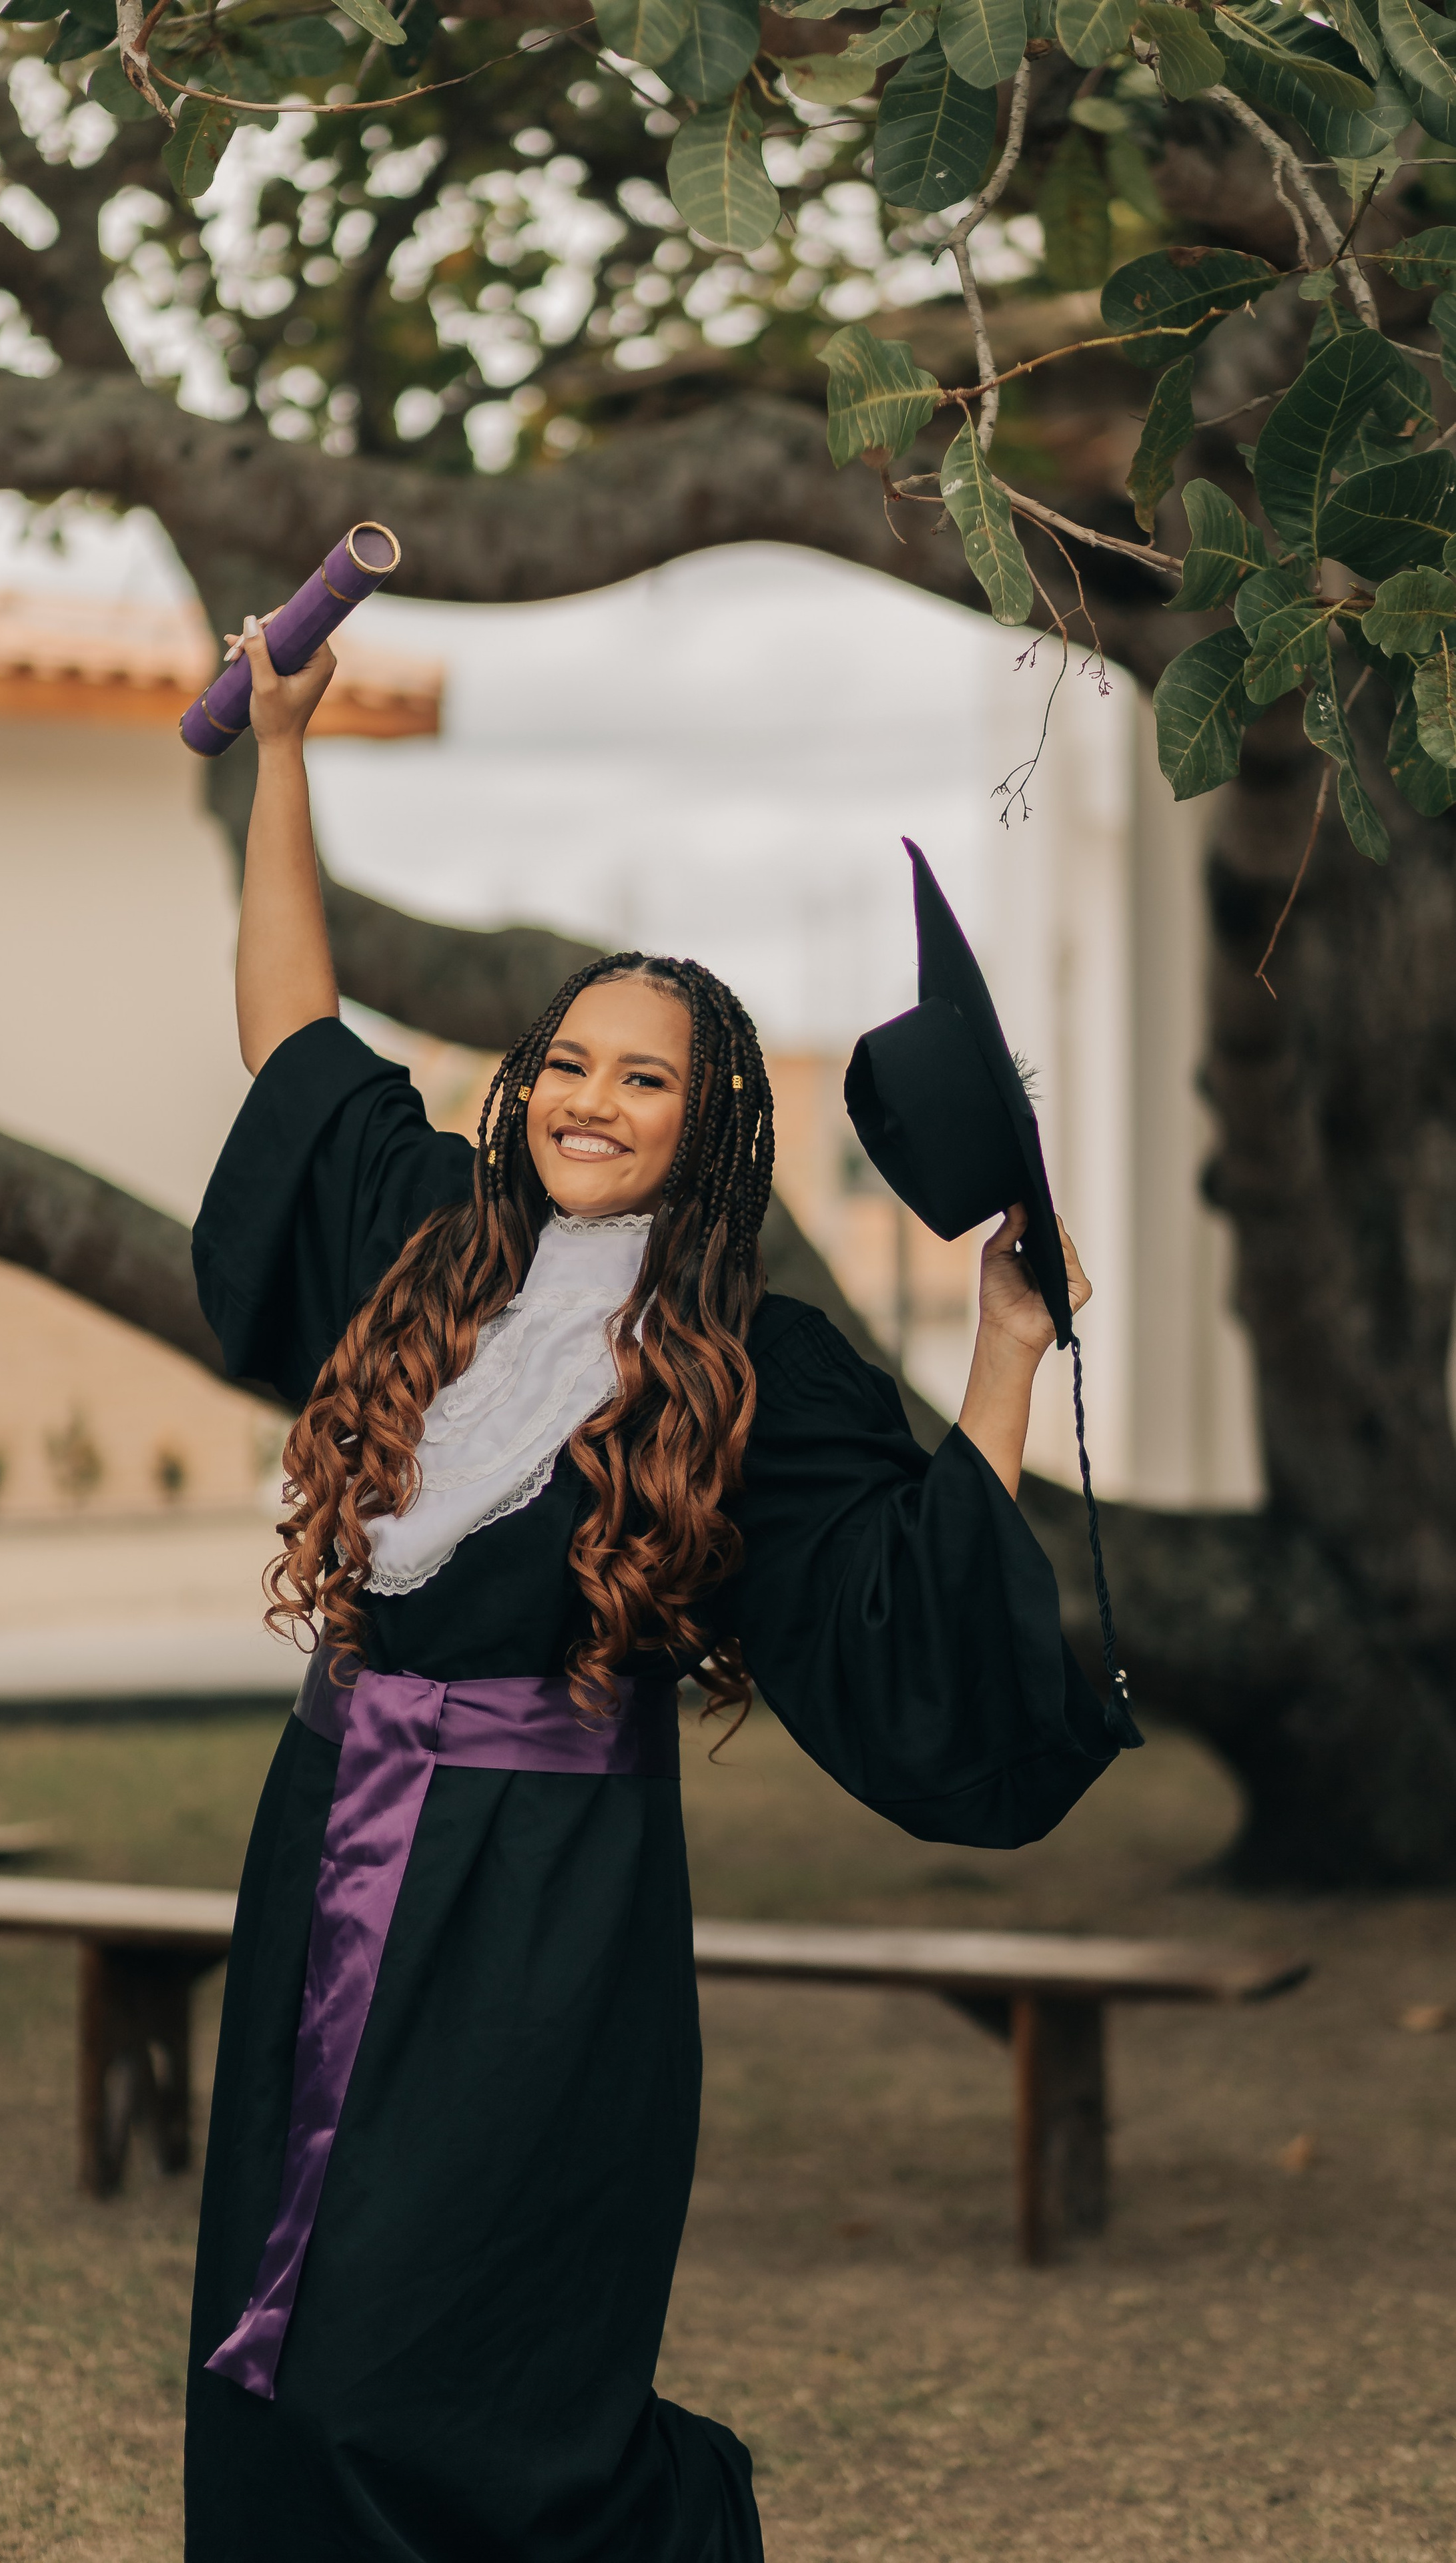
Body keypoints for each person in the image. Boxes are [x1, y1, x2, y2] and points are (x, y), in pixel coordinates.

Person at [183, 618, 1122, 2563]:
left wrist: (1008, 1352)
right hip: (330, 1841)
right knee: (272, 2357)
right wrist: (281, 752)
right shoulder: (422, 1242)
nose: (592, 1101)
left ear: (710, 1130)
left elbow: (899, 1612)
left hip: (543, 1905)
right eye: (571, 1063)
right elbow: (292, 1032)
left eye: (649, 1081)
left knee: (438, 2366)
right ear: (523, 1083)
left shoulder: (745, 1364)